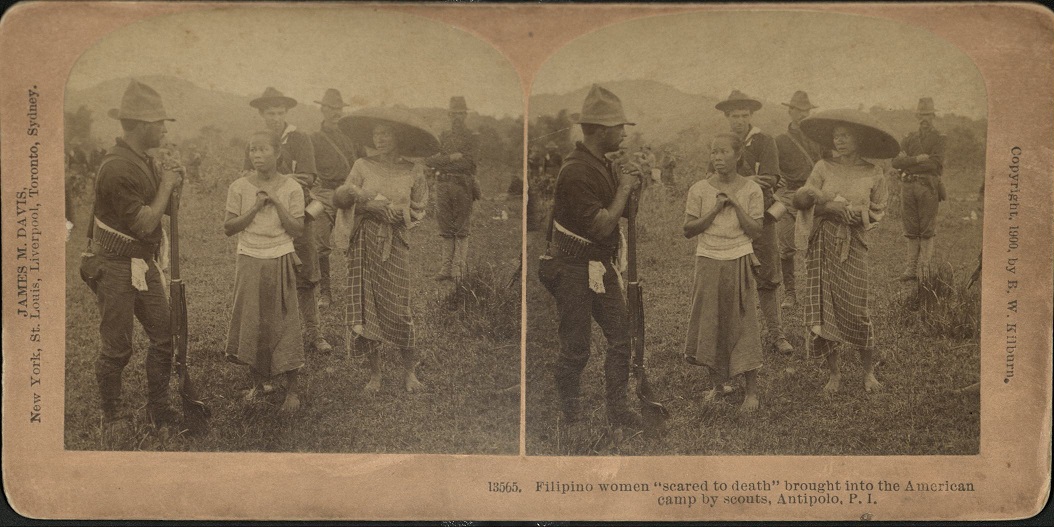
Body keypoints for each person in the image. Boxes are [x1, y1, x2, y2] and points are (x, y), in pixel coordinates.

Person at [536, 84, 643, 429]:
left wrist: (632, 186)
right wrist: (625, 188)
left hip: (599, 265)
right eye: (619, 127)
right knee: (577, 348)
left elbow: (627, 214)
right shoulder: (576, 171)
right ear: (599, 131)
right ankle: (571, 414)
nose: (624, 133)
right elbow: (600, 226)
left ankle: (618, 410)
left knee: (622, 337)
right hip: (571, 268)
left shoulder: (603, 164)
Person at [89, 79, 183, 426]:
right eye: (159, 123)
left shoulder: (143, 160)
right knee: (117, 347)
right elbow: (145, 223)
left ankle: (158, 408)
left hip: (142, 262)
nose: (163, 129)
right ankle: (112, 414)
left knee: (164, 335)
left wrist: (174, 182)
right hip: (114, 265)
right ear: (143, 125)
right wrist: (168, 184)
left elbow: (169, 211)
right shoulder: (116, 167)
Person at [793, 109, 896, 393]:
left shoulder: (874, 172)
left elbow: (879, 209)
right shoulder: (823, 167)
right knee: (826, 309)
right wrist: (829, 208)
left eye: (846, 136)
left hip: (854, 244)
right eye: (837, 136)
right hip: (824, 243)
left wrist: (857, 214)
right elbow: (803, 201)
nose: (840, 141)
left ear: (859, 140)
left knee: (857, 308)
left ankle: (868, 372)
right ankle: (834, 374)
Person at [333, 107, 434, 392]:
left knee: (400, 307)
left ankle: (410, 373)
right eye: (376, 134)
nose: (380, 139)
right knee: (366, 307)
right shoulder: (362, 165)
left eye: (386, 134)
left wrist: (398, 215)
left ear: (398, 137)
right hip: (364, 241)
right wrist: (368, 206)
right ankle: (375, 375)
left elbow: (420, 208)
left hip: (395, 243)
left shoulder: (414, 170)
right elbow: (343, 198)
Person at [224, 131, 306, 414]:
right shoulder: (239, 187)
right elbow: (229, 227)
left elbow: (297, 229)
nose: (257, 156)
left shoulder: (293, 187)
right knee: (253, 321)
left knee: (284, 320)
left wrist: (277, 202)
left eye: (263, 150)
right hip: (249, 256)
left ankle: (292, 389)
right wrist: (256, 206)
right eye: (252, 150)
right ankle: (260, 383)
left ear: (277, 153)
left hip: (280, 256)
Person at [683, 133, 765, 413]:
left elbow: (756, 231)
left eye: (723, 152)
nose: (717, 158)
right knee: (710, 321)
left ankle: (751, 392)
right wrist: (717, 207)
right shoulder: (699, 189)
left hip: (739, 257)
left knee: (743, 322)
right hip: (707, 258)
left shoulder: (752, 189)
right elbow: (688, 229)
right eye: (713, 152)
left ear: (738, 154)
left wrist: (735, 204)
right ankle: (718, 386)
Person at [247, 87, 333, 353]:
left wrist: (273, 178)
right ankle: (274, 335)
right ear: (261, 114)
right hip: (265, 218)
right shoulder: (255, 141)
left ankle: (315, 334)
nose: (275, 117)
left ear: (286, 113)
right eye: (270, 113)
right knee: (269, 276)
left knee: (306, 273)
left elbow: (308, 177)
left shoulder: (299, 138)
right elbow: (247, 174)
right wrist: (282, 178)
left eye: (279, 112)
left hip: (298, 215)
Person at [714, 90, 794, 355]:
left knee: (768, 276)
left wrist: (735, 180)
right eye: (734, 115)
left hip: (761, 216)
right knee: (731, 276)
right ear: (727, 117)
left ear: (751, 116)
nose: (739, 120)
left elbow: (770, 178)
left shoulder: (763, 140)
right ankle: (734, 336)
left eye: (744, 115)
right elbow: (711, 177)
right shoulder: (720, 143)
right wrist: (750, 180)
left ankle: (776, 335)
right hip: (728, 218)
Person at [310, 88, 362, 309]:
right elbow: (307, 168)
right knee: (320, 244)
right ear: (322, 109)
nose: (335, 112)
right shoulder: (313, 138)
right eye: (330, 108)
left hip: (350, 192)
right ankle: (325, 292)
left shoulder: (352, 137)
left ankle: (357, 290)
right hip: (323, 194)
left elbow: (363, 164)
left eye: (339, 108)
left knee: (355, 243)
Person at [774, 91, 827, 309]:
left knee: (816, 246)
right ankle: (790, 294)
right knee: (786, 247)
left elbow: (828, 166)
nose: (802, 114)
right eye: (798, 110)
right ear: (790, 111)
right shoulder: (780, 141)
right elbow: (772, 169)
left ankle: (816, 294)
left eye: (806, 111)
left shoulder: (819, 138)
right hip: (788, 197)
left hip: (814, 196)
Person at [425, 96, 481, 282]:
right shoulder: (443, 136)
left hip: (463, 184)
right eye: (454, 114)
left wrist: (446, 162)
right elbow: (430, 160)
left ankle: (459, 269)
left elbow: (469, 164)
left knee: (462, 228)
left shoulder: (472, 137)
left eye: (460, 114)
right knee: (446, 227)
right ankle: (446, 268)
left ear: (465, 115)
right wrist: (451, 158)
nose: (457, 117)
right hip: (443, 185)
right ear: (449, 115)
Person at [892, 97, 946, 281]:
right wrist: (916, 160)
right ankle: (911, 270)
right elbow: (895, 162)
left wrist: (908, 164)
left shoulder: (939, 138)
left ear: (933, 116)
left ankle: (925, 271)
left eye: (928, 115)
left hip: (928, 186)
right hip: (907, 186)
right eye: (921, 115)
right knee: (911, 229)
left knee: (927, 230)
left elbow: (935, 164)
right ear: (917, 116)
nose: (925, 118)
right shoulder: (909, 138)